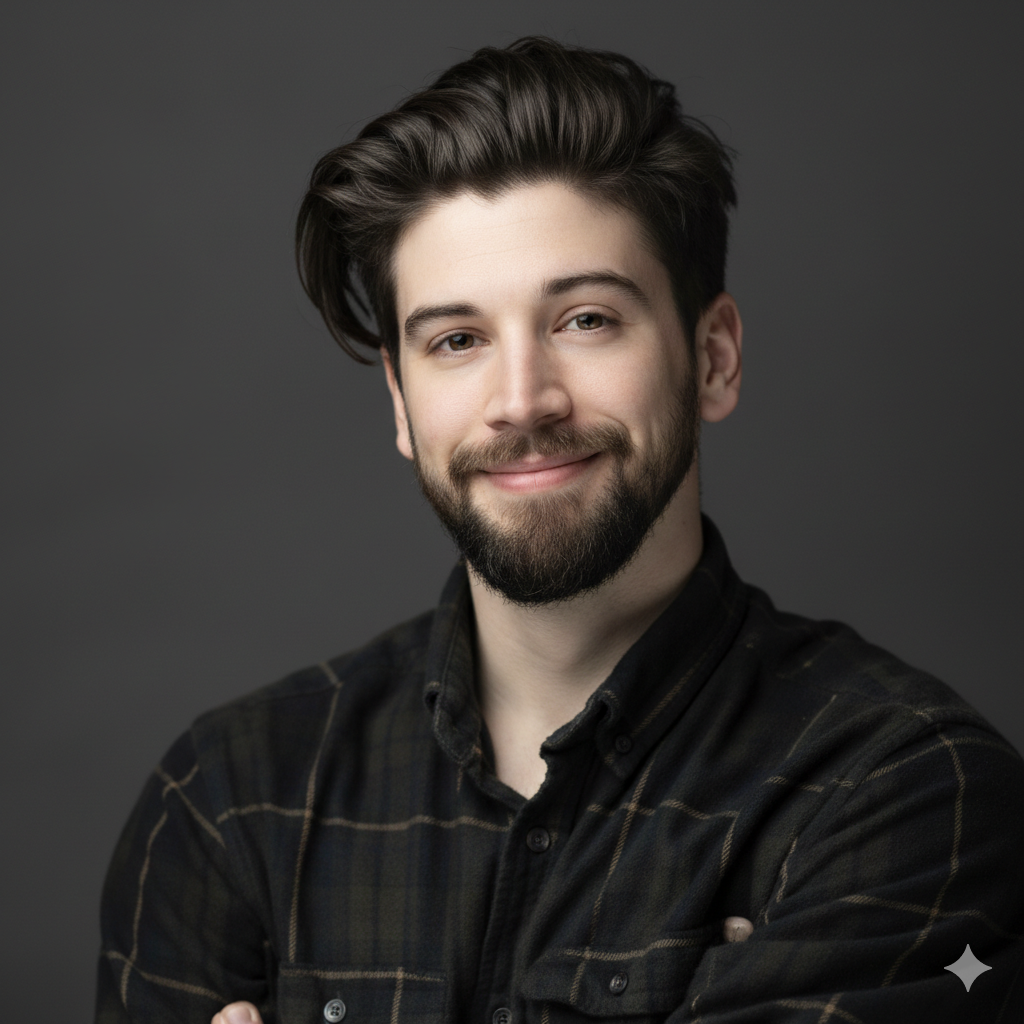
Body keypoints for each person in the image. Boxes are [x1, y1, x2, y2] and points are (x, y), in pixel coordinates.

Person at [95, 36, 1023, 1024]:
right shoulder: (231, 801)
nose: (521, 400)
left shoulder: (905, 789)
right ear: (403, 406)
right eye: (456, 340)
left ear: (710, 357)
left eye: (584, 319)